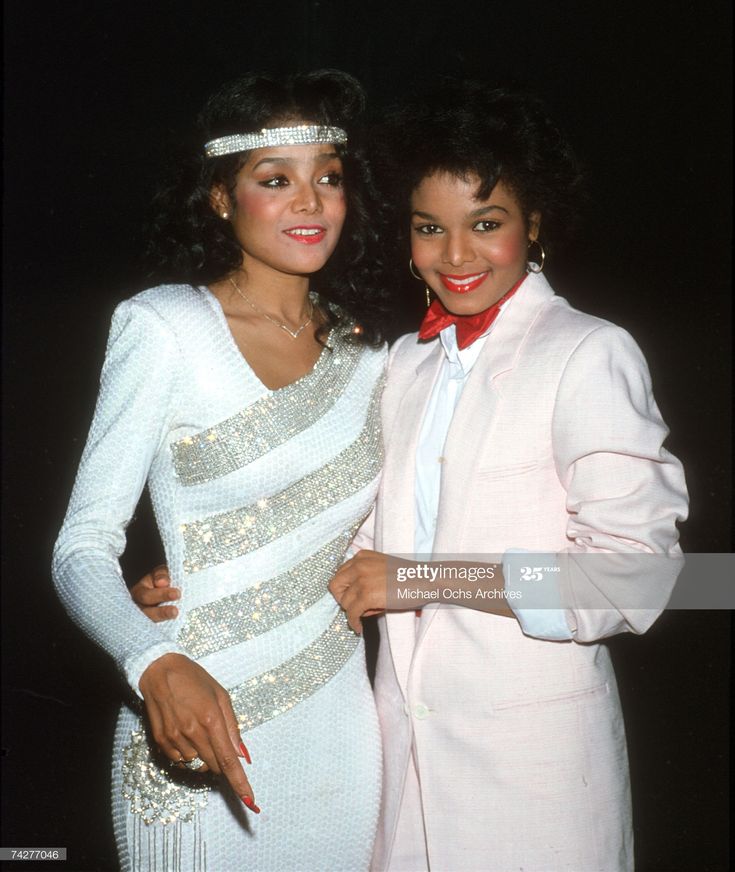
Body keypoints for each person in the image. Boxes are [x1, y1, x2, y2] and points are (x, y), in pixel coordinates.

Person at [327, 80, 689, 871]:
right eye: (430, 229)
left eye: (484, 225)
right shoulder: (402, 362)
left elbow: (637, 581)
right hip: (400, 771)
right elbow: (351, 548)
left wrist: (423, 578)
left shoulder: (588, 352)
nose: (455, 257)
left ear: (534, 226)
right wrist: (196, 583)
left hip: (538, 780)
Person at [52, 69, 391, 872]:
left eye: (328, 179)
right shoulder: (164, 326)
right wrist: (152, 661)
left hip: (340, 734)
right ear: (219, 198)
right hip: (190, 724)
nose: (309, 203)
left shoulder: (373, 353)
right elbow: (81, 548)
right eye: (276, 180)